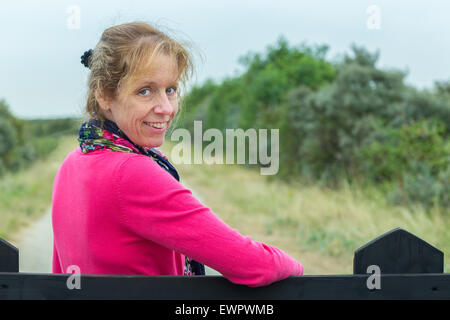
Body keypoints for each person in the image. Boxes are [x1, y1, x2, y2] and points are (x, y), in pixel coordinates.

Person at [51, 21, 303, 287]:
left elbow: (61, 276)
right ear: (104, 96)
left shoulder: (73, 163)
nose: (166, 108)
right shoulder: (131, 172)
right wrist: (298, 270)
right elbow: (254, 265)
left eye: (170, 89)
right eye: (145, 91)